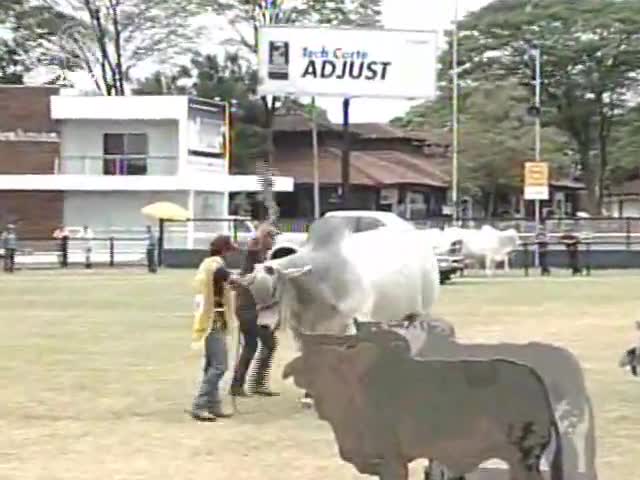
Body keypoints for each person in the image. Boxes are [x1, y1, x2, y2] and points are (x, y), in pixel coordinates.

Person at [190, 235, 241, 422]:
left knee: (211, 365)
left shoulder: (206, 264)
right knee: (220, 366)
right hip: (214, 320)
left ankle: (213, 404)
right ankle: (200, 405)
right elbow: (235, 280)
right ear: (225, 250)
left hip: (208, 319)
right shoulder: (217, 267)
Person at [230, 223, 281, 397]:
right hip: (249, 309)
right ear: (264, 238)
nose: (273, 241)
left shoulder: (263, 257)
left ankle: (244, 384)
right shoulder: (254, 256)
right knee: (264, 344)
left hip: (253, 308)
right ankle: (250, 384)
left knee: (255, 345)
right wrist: (258, 237)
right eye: (271, 237)